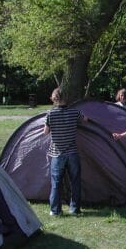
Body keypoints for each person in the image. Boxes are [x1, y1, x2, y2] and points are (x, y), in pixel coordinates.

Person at [43, 88, 88, 216]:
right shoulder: (74, 112)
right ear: (65, 98)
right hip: (72, 153)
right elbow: (85, 119)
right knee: (75, 181)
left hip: (57, 154)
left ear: (54, 99)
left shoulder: (50, 114)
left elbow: (45, 132)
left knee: (56, 183)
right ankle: (74, 209)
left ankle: (55, 210)